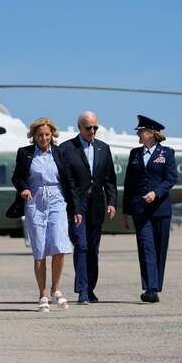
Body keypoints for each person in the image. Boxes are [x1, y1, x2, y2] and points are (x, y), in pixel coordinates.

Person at [11, 117, 82, 312]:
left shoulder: (59, 153)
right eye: (40, 135)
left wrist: (75, 209)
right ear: (33, 136)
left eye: (47, 135)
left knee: (60, 246)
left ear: (52, 135)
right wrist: (23, 188)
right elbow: (16, 177)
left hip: (57, 200)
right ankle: (42, 293)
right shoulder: (24, 153)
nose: (44, 139)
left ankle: (56, 289)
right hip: (35, 202)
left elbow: (69, 182)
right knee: (40, 249)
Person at [61, 111, 118, 304]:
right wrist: (71, 205)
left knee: (93, 248)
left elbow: (110, 179)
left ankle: (90, 289)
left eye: (95, 127)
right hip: (76, 206)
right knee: (82, 246)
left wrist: (111, 202)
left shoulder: (104, 148)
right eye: (88, 127)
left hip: (97, 206)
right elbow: (65, 182)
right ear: (79, 127)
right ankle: (82, 291)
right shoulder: (67, 148)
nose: (92, 131)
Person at [122, 115, 177, 303]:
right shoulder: (134, 154)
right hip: (140, 210)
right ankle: (150, 289)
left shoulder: (167, 153)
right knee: (146, 248)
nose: (138, 133)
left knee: (160, 250)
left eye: (141, 131)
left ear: (151, 134)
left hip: (161, 209)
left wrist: (156, 192)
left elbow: (171, 179)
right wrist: (125, 211)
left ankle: (155, 286)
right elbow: (129, 184)